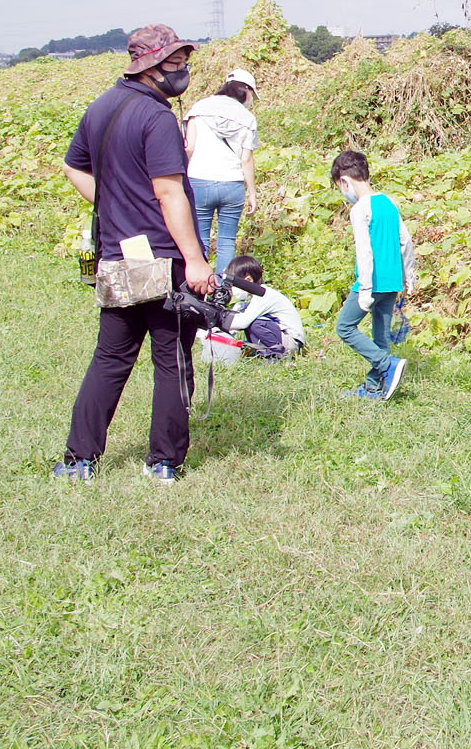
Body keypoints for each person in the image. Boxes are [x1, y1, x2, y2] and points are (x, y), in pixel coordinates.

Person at [54, 25, 218, 486]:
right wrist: (196, 260)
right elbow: (169, 192)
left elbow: (73, 166)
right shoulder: (157, 117)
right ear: (149, 65)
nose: (182, 71)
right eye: (174, 63)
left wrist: (111, 206)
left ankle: (78, 460)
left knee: (110, 358)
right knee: (171, 360)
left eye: (184, 61)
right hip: (163, 259)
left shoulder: (100, 107)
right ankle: (164, 462)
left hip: (116, 255)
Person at [331, 150, 414, 400]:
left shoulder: (359, 209)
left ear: (345, 181)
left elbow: (365, 251)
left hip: (371, 282)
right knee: (381, 334)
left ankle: (386, 364)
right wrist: (409, 274)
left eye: (339, 187)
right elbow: (405, 240)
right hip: (392, 281)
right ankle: (375, 387)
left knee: (344, 327)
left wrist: (364, 288)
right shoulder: (389, 202)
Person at [184, 69, 260, 274]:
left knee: (200, 238)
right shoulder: (247, 118)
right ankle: (222, 290)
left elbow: (188, 148)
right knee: (227, 241)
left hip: (199, 181)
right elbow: (246, 158)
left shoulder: (199, 108)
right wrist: (252, 193)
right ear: (245, 92)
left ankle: (200, 288)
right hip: (232, 184)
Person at [222, 255, 305, 361]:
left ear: (248, 280)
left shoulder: (263, 295)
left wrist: (219, 320)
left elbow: (242, 322)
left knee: (255, 324)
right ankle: (266, 353)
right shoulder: (251, 300)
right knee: (250, 321)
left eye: (234, 284)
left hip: (292, 341)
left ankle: (277, 354)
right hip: (283, 336)